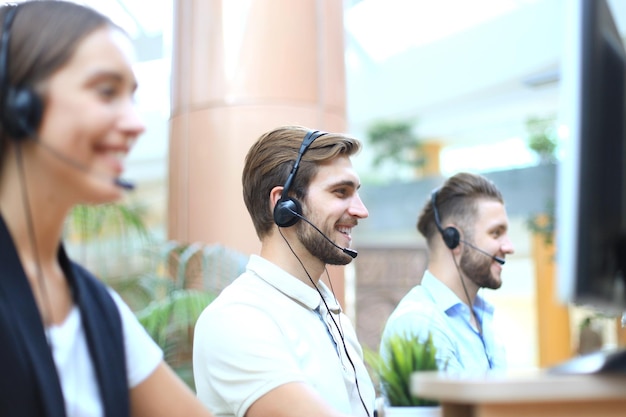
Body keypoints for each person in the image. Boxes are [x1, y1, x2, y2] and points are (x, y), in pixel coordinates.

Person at [0, 2, 215, 416]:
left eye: (131, 97)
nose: (136, 123)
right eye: (106, 92)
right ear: (18, 105)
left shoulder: (97, 307)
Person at [193, 126, 376, 417]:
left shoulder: (326, 309)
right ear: (284, 205)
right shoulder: (239, 318)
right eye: (341, 192)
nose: (361, 210)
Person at [380, 172, 515, 373]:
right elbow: (452, 406)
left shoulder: (483, 320)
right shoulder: (420, 324)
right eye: (496, 233)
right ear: (455, 238)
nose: (509, 247)